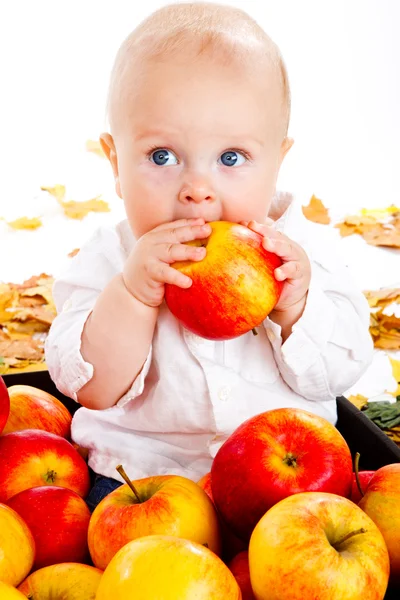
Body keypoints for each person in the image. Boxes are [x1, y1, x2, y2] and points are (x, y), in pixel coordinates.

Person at [45, 1, 373, 511]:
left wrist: (298, 308)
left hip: (288, 480)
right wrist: (132, 295)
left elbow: (343, 368)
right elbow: (88, 388)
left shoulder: (299, 255)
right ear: (115, 161)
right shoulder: (111, 259)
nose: (197, 189)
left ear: (277, 162)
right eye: (161, 156)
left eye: (231, 158)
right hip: (142, 478)